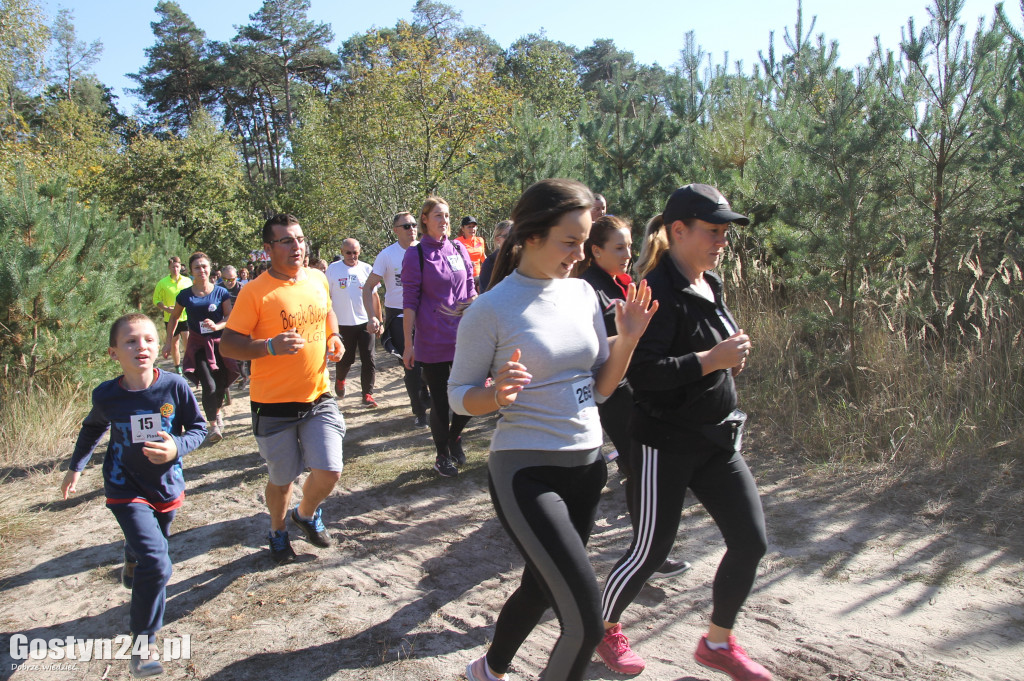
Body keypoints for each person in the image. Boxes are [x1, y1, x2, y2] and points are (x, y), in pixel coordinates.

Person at [449, 179, 656, 681]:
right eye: (570, 242)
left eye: (585, 242)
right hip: (527, 472)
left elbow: (601, 388)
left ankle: (488, 668)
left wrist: (626, 340)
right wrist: (496, 395)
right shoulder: (492, 308)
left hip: (587, 466)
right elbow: (459, 394)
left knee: (541, 587)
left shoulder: (584, 293)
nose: (579, 253)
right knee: (586, 623)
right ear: (531, 237)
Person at [596, 184, 770, 681]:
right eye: (713, 231)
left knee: (750, 541)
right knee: (650, 549)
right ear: (678, 231)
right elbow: (643, 376)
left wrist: (729, 354)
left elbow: (706, 352)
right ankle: (604, 627)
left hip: (716, 441)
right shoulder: (653, 291)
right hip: (664, 443)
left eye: (724, 232)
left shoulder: (707, 283)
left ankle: (717, 642)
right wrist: (711, 360)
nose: (722, 241)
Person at [61, 313, 206, 677]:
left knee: (149, 549)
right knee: (157, 564)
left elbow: (199, 428)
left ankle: (131, 555)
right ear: (113, 353)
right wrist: (76, 466)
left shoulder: (174, 387)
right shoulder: (107, 395)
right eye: (130, 341)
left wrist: (176, 447)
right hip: (124, 488)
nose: (141, 346)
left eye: (148, 339)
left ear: (160, 346)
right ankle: (143, 645)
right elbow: (93, 426)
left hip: (167, 488)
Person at [221, 214, 346, 566]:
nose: (297, 247)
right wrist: (269, 347)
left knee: (330, 470)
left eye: (301, 239)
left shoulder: (318, 278)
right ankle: (277, 530)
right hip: (273, 405)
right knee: (283, 479)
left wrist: (334, 337)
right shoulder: (255, 291)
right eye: (287, 241)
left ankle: (305, 515)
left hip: (318, 396)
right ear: (268, 248)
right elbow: (228, 345)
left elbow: (327, 314)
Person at [575, 215, 692, 581]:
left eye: (629, 245)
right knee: (638, 465)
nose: (628, 254)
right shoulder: (585, 289)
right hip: (610, 391)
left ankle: (647, 550)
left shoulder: (622, 282)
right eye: (619, 247)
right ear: (595, 251)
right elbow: (590, 349)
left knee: (637, 465)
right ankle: (647, 554)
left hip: (632, 384)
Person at [402, 197, 476, 478]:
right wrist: (408, 344)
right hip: (432, 340)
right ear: (424, 219)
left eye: (446, 215)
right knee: (442, 403)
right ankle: (442, 455)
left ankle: (454, 436)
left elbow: (470, 288)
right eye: (437, 215)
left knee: (469, 396)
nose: (443, 220)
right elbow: (410, 301)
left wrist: (470, 306)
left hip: (464, 337)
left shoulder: (458, 247)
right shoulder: (416, 254)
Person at [162, 252, 238, 444]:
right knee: (208, 385)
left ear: (210, 268)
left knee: (221, 384)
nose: (202, 270)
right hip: (198, 346)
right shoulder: (185, 295)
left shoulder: (220, 292)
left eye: (204, 266)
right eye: (197, 267)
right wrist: (167, 341)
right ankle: (212, 425)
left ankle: (217, 413)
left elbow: (229, 317)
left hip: (220, 344)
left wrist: (217, 326)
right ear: (191, 271)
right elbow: (174, 318)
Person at [364, 212, 430, 427]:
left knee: (430, 363)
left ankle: (426, 394)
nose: (412, 229)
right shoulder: (387, 255)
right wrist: (373, 317)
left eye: (414, 225)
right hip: (399, 316)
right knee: (411, 364)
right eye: (406, 226)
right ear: (395, 230)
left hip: (426, 314)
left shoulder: (425, 249)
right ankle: (419, 411)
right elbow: (368, 288)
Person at [326, 238, 381, 407]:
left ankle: (367, 394)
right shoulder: (332, 270)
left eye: (355, 252)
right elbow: (326, 298)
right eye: (348, 253)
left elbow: (375, 296)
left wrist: (379, 320)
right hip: (342, 324)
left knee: (369, 358)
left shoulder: (367, 269)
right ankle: (340, 380)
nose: (352, 256)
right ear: (342, 252)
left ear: (360, 251)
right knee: (346, 360)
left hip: (365, 321)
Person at [152, 256, 192, 374]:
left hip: (185, 316)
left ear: (181, 267)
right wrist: (165, 308)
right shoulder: (163, 283)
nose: (175, 269)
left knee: (187, 342)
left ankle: (188, 365)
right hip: (170, 318)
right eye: (173, 267)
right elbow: (156, 299)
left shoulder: (187, 281)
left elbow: (193, 295)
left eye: (177, 266)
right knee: (174, 344)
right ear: (169, 267)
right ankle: (177, 367)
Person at [221, 266, 249, 392]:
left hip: (242, 323)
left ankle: (244, 377)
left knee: (242, 355)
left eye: (231, 279)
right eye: (225, 279)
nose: (228, 282)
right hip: (224, 324)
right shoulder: (218, 288)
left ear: (236, 277)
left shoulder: (243, 289)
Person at [477, 219, 512, 293]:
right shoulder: (490, 263)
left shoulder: (523, 260)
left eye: (515, 235)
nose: (512, 239)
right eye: (507, 236)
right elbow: (485, 293)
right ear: (498, 239)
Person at [455, 215, 487, 280]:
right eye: (469, 227)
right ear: (463, 228)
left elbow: (483, 257)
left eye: (473, 226)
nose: (472, 229)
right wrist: (468, 263)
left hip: (479, 277)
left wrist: (491, 267)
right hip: (465, 277)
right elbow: (455, 262)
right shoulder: (457, 242)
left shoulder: (480, 240)